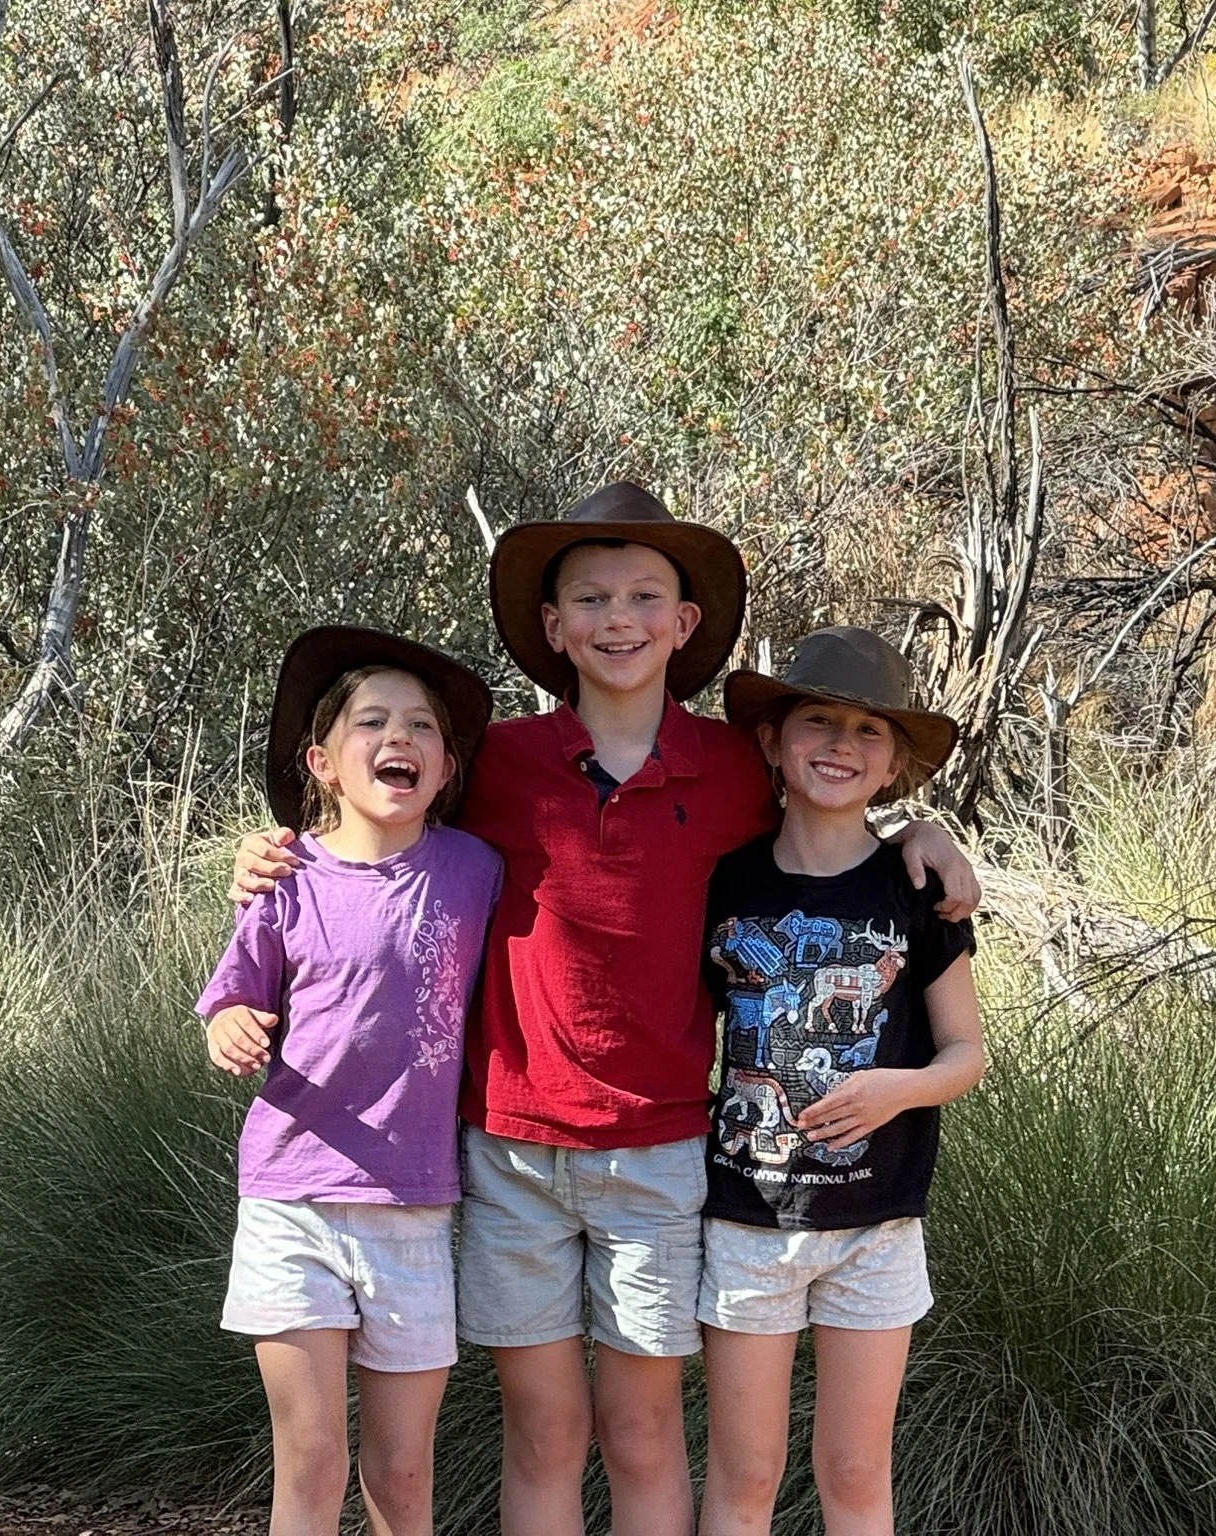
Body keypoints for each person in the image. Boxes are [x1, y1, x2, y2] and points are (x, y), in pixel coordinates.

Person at [231, 484, 979, 1536]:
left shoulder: (728, 768)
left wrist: (919, 830)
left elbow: (831, 802)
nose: (615, 619)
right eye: (588, 598)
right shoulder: (496, 763)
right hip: (511, 1147)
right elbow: (373, 826)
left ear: (684, 625)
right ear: (551, 628)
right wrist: (269, 853)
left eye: (642, 597)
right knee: (544, 1432)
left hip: (662, 1154)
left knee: (640, 1434)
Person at [198, 627, 505, 1536]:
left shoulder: (474, 870)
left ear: (447, 767)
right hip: (292, 1200)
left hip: (414, 1205)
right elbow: (231, 997)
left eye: (420, 726)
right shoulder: (283, 880)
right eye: (372, 722)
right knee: (314, 1459)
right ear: (323, 761)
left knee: (403, 1474)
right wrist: (230, 1027)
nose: (397, 738)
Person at [694, 627, 988, 1536]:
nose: (839, 746)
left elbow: (965, 1054)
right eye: (817, 722)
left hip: (877, 1227)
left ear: (896, 761)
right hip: (748, 1221)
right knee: (745, 1472)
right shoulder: (724, 882)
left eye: (867, 732)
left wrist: (895, 1090)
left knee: (857, 1471)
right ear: (774, 742)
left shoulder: (916, 890)